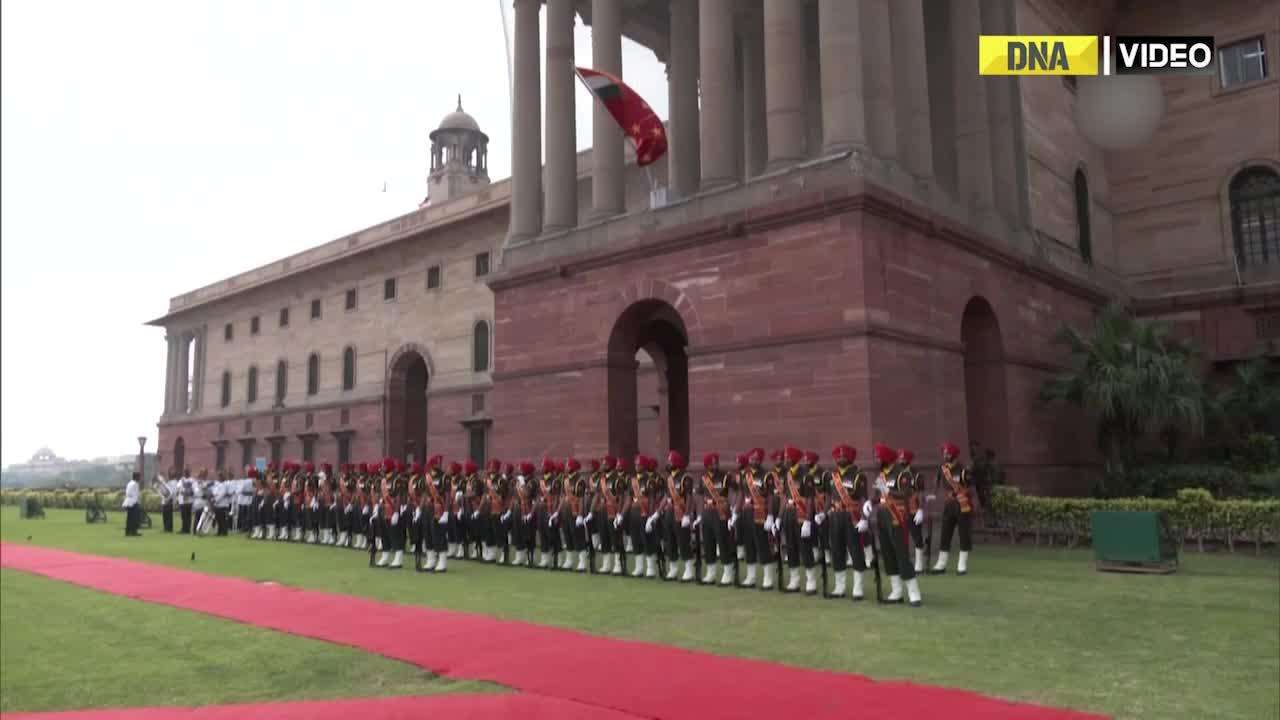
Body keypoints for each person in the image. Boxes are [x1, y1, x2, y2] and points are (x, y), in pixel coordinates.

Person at [871, 443, 922, 606]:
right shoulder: (882, 475)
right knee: (887, 553)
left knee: (901, 554)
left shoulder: (901, 474)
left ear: (886, 458)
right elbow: (877, 495)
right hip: (883, 517)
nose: (877, 460)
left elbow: (907, 494)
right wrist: (870, 503)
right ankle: (896, 590)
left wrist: (889, 492)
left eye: (879, 457)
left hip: (897, 517)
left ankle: (914, 592)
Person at [826, 444, 869, 600]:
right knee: (837, 551)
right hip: (836, 516)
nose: (840, 459)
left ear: (850, 458)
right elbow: (829, 497)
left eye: (843, 456)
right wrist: (824, 513)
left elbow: (864, 498)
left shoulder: (858, 475)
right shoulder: (832, 476)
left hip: (852, 517)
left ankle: (858, 587)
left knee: (855, 550)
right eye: (838, 456)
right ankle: (840, 586)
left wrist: (864, 519)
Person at [932, 441, 974, 576]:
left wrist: (960, 492)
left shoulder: (963, 469)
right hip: (949, 505)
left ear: (954, 455)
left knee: (963, 535)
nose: (945, 455)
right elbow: (937, 482)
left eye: (947, 453)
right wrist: (933, 495)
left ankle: (962, 565)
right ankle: (941, 563)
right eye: (944, 453)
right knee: (945, 533)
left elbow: (970, 488)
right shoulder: (942, 468)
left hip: (962, 505)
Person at [697, 452, 735, 586]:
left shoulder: (725, 476)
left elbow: (734, 492)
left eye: (716, 463)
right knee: (708, 542)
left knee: (723, 541)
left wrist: (732, 511)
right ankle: (711, 572)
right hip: (707, 512)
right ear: (707, 465)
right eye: (712, 463)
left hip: (721, 512)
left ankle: (728, 572)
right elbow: (700, 497)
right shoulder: (703, 478)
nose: (715, 465)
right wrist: (699, 514)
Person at [123, 471, 142, 537]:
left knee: (129, 518)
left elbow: (128, 493)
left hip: (128, 502)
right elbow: (136, 494)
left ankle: (128, 532)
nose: (140, 478)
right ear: (136, 477)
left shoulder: (129, 483)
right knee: (134, 518)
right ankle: (134, 532)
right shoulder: (135, 484)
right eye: (139, 476)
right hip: (133, 502)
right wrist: (137, 502)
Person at [178, 468, 194, 534]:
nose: (186, 473)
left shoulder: (192, 480)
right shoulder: (181, 480)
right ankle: (183, 529)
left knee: (188, 516)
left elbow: (193, 490)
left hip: (189, 501)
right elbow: (178, 487)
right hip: (183, 500)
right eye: (185, 472)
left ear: (189, 472)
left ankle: (187, 529)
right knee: (183, 516)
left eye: (187, 471)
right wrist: (182, 491)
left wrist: (188, 492)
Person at [159, 468, 175, 533]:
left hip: (169, 501)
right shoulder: (163, 484)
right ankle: (166, 528)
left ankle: (169, 528)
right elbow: (161, 492)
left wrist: (167, 499)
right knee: (165, 515)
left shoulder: (170, 483)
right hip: (164, 501)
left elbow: (171, 492)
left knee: (169, 515)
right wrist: (163, 497)